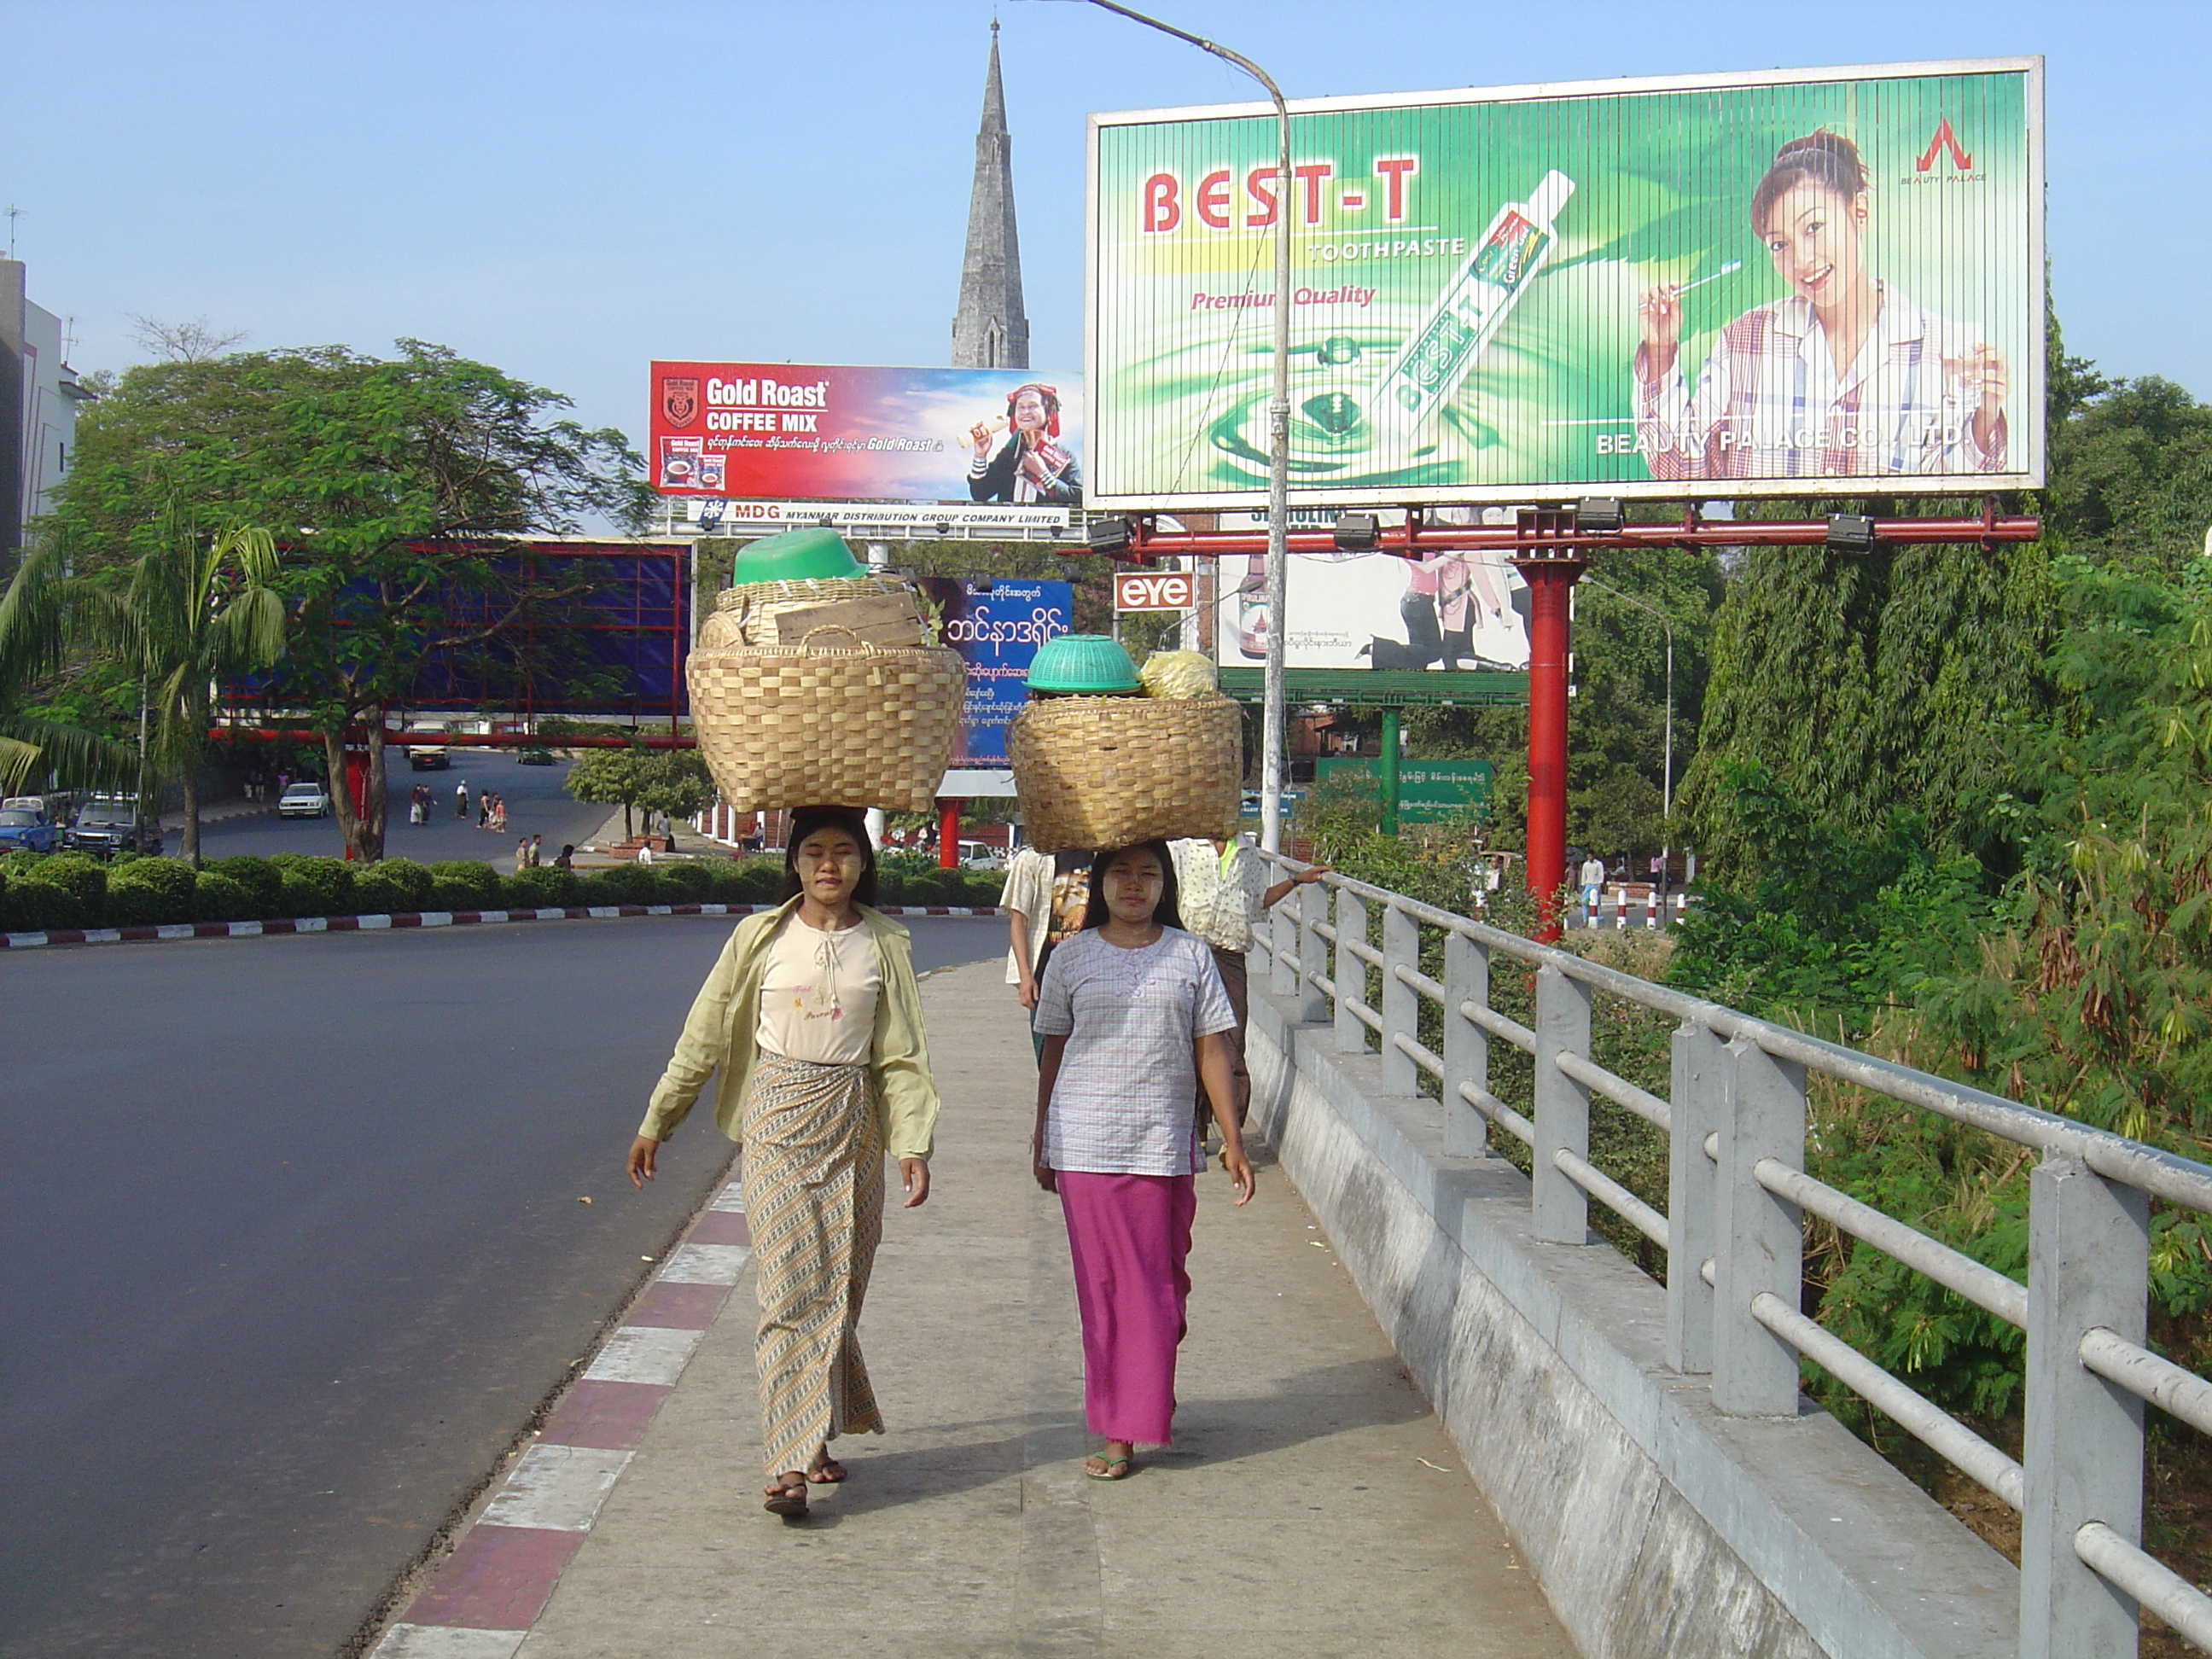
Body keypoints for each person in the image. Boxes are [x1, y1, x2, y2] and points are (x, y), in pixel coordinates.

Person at [630, 807, 940, 1518]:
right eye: (813, 853)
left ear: (864, 863)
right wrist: (660, 1118)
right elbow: (704, 1032)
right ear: (794, 865)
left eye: (842, 852)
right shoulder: (758, 937)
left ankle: (816, 1434)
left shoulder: (886, 942)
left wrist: (911, 1143)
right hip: (775, 1115)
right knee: (789, 1287)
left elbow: (900, 1056)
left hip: (853, 1121)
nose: (828, 866)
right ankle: (786, 1460)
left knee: (842, 1286)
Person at [1032, 841, 1254, 1482]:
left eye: (1149, 875)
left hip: (1160, 1145)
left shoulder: (1190, 956)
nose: (1134, 886)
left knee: (1159, 1291)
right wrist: (1042, 1134)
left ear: (1167, 886)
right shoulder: (1070, 957)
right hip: (1084, 1145)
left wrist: (1232, 1139)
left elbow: (1212, 1049)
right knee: (1104, 1293)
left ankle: (1146, 1384)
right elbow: (1054, 1050)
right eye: (1122, 873)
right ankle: (1120, 1427)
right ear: (1101, 883)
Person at [1635, 129, 2011, 480]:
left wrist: (1985, 416)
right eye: (1779, 244)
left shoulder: (1943, 347)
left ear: (1858, 213)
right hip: (1766, 549)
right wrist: (1660, 350)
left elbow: (1952, 499)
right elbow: (1680, 468)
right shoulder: (1746, 340)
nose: (1802, 260)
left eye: (1813, 227)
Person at [1168, 836, 1330, 1130]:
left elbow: (1257, 900)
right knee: (1186, 1042)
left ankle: (1232, 1130)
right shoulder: (1183, 846)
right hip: (1188, 951)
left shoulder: (1245, 849)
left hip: (1230, 954)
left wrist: (1295, 881)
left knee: (1231, 1041)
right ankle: (1195, 1127)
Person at [998, 844, 1096, 1059]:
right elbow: (1018, 920)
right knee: (1047, 1054)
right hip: (1045, 976)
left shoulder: (1102, 856)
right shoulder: (1032, 859)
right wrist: (1025, 977)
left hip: (1092, 973)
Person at [967, 382, 1082, 505]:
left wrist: (1043, 473)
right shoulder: (1010, 454)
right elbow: (979, 494)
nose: (1025, 411)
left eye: (1033, 406)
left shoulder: (1063, 455)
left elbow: (1077, 497)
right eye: (1020, 407)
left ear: (1048, 412)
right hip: (1009, 523)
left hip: (1046, 524)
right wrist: (980, 455)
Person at [1580, 852, 1606, 926]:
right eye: (1588, 856)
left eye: (1590, 856)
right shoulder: (1586, 864)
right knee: (1584, 902)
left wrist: (1600, 884)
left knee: (1596, 902)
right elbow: (1583, 875)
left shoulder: (1598, 864)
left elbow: (1601, 875)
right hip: (1588, 884)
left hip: (1595, 884)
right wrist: (1583, 884)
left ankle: (1598, 918)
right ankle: (1585, 920)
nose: (1589, 857)